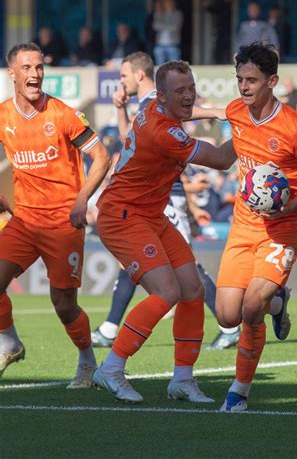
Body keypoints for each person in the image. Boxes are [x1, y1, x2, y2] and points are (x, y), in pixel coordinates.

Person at [92, 60, 238, 403]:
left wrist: (217, 111)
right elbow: (220, 159)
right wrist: (246, 123)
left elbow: (184, 112)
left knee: (192, 289)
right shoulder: (163, 132)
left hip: (151, 215)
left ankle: (182, 380)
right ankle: (111, 368)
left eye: (191, 88)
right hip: (122, 216)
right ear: (161, 95)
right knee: (167, 291)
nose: (188, 97)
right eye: (180, 92)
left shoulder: (153, 106)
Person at [216, 43, 297, 412]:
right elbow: (223, 156)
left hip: (283, 227)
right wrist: (181, 149)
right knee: (226, 315)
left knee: (252, 307)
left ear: (272, 81)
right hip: (243, 225)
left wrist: (293, 203)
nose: (244, 87)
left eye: (251, 80)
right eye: (239, 79)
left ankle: (239, 391)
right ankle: (279, 301)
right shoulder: (237, 112)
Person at [0, 43, 110, 385]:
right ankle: (9, 343)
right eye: (27, 68)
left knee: (63, 303)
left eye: (39, 68)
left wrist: (81, 201)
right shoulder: (3, 115)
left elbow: (102, 157)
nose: (35, 75)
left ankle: (87, 361)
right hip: (24, 221)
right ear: (12, 74)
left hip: (63, 223)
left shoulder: (62, 114)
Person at [204, 0, 233, 64]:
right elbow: (214, 9)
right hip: (221, 31)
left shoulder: (234, 5)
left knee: (230, 49)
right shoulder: (220, 3)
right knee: (219, 50)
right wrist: (207, 7)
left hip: (231, 32)